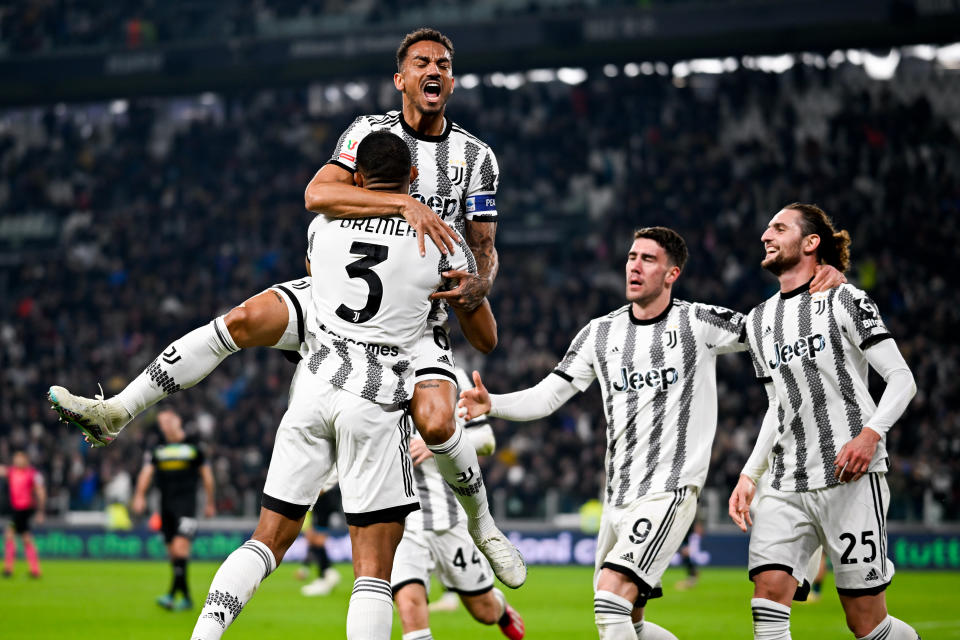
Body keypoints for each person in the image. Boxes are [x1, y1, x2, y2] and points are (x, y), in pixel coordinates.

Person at [47, 26, 523, 588]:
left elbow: (484, 248)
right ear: (401, 79)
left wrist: (479, 286)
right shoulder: (368, 132)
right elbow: (317, 194)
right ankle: (117, 412)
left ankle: (484, 525)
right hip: (339, 292)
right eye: (421, 62)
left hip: (416, 316)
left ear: (452, 79)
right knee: (245, 318)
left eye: (442, 63)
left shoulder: (476, 156)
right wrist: (402, 202)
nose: (433, 70)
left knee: (439, 420)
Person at [459, 226, 845, 640]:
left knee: (610, 601)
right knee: (632, 622)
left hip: (670, 491)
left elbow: (769, 326)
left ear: (672, 274)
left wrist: (824, 286)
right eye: (631, 257)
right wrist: (492, 403)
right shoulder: (599, 333)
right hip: (619, 499)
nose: (634, 266)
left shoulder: (697, 321)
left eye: (647, 259)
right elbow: (549, 395)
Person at [189, 132, 497, 640]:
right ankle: (485, 522)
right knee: (373, 571)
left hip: (312, 390)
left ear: (355, 178)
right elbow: (486, 339)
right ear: (414, 179)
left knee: (264, 542)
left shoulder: (321, 229)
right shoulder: (443, 240)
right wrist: (466, 297)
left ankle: (204, 634)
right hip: (375, 397)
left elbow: (317, 286)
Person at [727, 203, 920, 640]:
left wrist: (871, 434)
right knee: (767, 599)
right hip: (787, 483)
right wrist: (750, 473)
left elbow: (902, 379)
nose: (765, 234)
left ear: (811, 242)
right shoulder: (759, 321)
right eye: (766, 227)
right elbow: (777, 407)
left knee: (866, 622)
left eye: (779, 227)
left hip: (850, 479)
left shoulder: (845, 298)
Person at [392, 366, 525, 640]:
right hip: (403, 521)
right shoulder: (378, 370)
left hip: (449, 518)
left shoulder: (449, 375)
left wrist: (435, 444)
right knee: (409, 607)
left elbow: (486, 441)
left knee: (483, 611)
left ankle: (500, 611)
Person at [131, 409, 215, 611]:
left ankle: (174, 596)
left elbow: (207, 476)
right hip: (166, 506)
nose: (165, 425)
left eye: (169, 420)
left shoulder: (194, 447)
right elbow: (146, 472)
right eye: (162, 422)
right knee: (173, 553)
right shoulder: (157, 449)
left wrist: (210, 502)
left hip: (187, 506)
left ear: (178, 420)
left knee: (180, 549)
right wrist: (139, 496)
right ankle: (182, 597)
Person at [1, 451, 46, 578]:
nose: (16, 461)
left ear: (25, 460)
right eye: (15, 459)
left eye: (19, 459)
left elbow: (40, 492)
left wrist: (41, 511)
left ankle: (9, 569)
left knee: (11, 535)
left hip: (24, 509)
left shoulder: (32, 474)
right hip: (16, 510)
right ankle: (35, 570)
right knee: (25, 538)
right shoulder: (12, 471)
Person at [297, 480, 342, 597]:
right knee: (315, 541)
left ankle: (325, 576)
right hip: (318, 506)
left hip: (323, 506)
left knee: (317, 540)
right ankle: (327, 574)